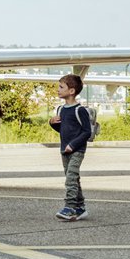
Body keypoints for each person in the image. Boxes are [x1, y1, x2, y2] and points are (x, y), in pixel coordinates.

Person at [49, 73, 92, 221]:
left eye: (61, 87)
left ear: (72, 91)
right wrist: (52, 123)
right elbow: (63, 130)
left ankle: (70, 207)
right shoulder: (61, 109)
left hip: (77, 150)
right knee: (72, 177)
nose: (58, 89)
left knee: (70, 179)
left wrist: (73, 145)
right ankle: (80, 207)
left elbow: (87, 132)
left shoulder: (79, 110)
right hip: (64, 149)